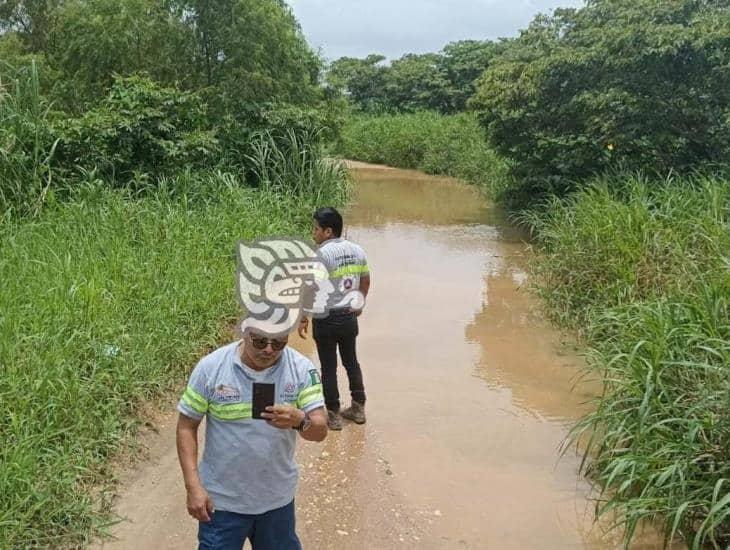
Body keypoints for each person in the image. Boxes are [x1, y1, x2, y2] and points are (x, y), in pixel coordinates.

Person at [176, 327, 327, 550]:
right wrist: (193, 487)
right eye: (259, 341)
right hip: (222, 504)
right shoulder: (211, 367)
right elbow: (186, 427)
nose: (268, 350)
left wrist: (300, 420)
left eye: (278, 343)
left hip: (277, 502)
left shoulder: (301, 368)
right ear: (244, 332)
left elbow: (320, 431)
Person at [299, 207, 371, 431]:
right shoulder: (358, 250)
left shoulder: (322, 254)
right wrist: (359, 302)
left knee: (328, 366)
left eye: (316, 229)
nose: (314, 233)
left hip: (326, 317)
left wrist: (303, 317)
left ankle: (333, 413)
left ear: (328, 231)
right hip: (349, 317)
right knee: (351, 362)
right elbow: (366, 280)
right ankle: (358, 408)